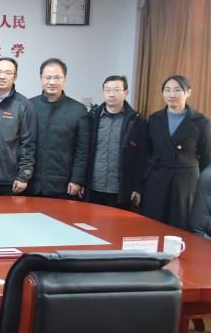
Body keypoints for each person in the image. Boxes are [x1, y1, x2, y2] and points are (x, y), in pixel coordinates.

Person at [141, 74, 211, 229]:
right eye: (167, 90)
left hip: (185, 184)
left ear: (188, 92)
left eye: (177, 90)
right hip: (157, 178)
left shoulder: (201, 122)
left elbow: (207, 158)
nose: (171, 94)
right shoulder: (154, 119)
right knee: (152, 225)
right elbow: (147, 152)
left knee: (179, 227)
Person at [28, 58, 89, 199]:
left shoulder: (78, 110)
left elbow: (82, 150)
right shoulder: (29, 106)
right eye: (48, 77)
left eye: (57, 77)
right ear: (41, 78)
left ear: (65, 79)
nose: (52, 82)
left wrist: (77, 179)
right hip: (31, 184)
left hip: (63, 184)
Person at [84, 75, 148, 210]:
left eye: (116, 90)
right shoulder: (92, 118)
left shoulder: (137, 121)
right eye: (107, 90)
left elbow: (142, 157)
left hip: (121, 190)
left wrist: (138, 187)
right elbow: (83, 151)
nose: (111, 94)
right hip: (93, 187)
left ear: (126, 92)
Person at [0, 57, 36, 195]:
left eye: (8, 73)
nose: (2, 76)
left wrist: (23, 176)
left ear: (15, 76)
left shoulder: (24, 105)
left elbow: (28, 144)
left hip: (10, 181)